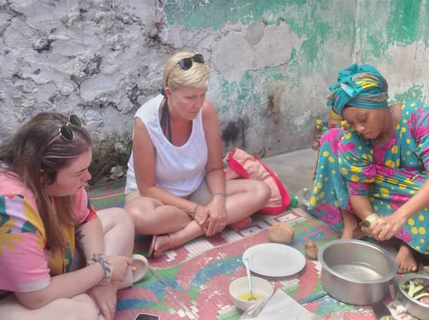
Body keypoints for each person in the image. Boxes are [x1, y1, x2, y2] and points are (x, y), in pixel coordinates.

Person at [308, 64, 429, 283]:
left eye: (363, 119)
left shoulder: (418, 116)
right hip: (379, 196)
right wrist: (371, 219)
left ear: (381, 103)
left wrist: (399, 217)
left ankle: (409, 244)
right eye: (351, 123)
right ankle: (354, 226)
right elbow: (357, 191)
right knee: (332, 138)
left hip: (416, 198)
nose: (360, 128)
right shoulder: (355, 139)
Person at [0, 112, 147, 320]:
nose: (88, 178)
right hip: (18, 293)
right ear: (43, 173)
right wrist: (104, 271)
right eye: (79, 173)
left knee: (120, 220)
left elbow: (87, 218)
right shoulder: (12, 206)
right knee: (80, 312)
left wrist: (100, 269)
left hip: (48, 268)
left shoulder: (46, 177)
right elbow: (36, 297)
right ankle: (100, 297)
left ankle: (100, 292)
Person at [123, 52, 271, 258]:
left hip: (195, 189)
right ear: (169, 92)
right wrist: (195, 210)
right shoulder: (145, 121)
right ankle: (220, 219)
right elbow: (148, 188)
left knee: (261, 191)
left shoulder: (206, 112)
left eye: (202, 95)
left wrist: (218, 199)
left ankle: (179, 237)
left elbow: (214, 168)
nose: (197, 103)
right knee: (135, 217)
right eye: (190, 97)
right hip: (157, 198)